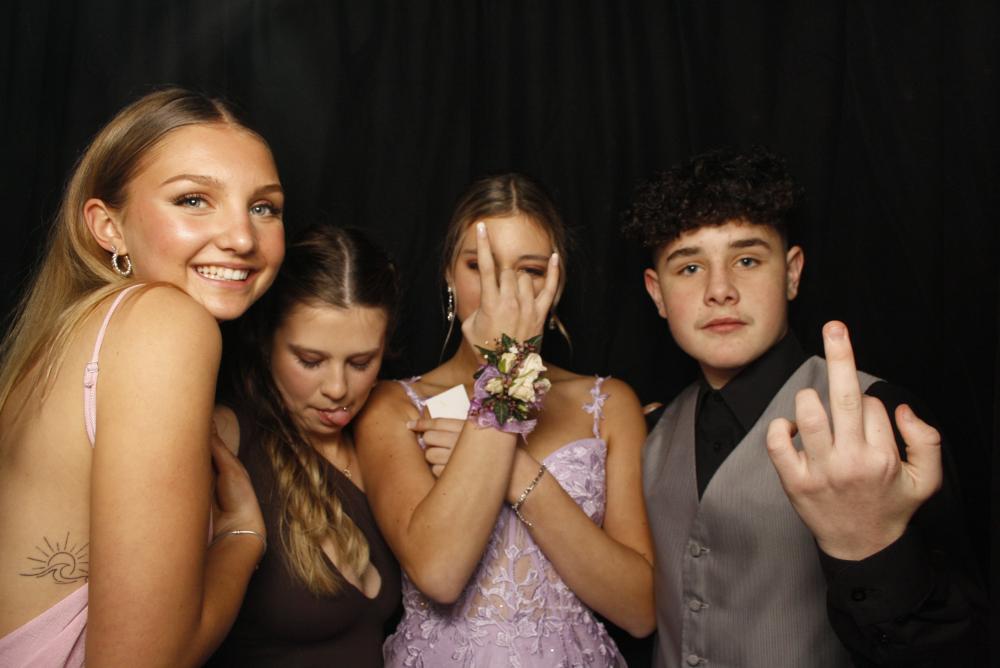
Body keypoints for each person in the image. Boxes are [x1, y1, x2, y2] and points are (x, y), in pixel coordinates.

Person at [624, 146, 987, 667]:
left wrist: (873, 547)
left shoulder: (881, 418)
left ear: (792, 273)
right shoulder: (650, 432)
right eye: (690, 267)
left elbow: (962, 648)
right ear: (656, 294)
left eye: (747, 260)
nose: (720, 290)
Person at [0, 88, 285, 666]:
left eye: (264, 207)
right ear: (108, 227)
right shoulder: (165, 323)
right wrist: (241, 539)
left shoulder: (65, 338)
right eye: (193, 200)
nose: (242, 237)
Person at [355, 173, 655, 667]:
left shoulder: (608, 404)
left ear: (556, 284)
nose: (503, 292)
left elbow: (640, 611)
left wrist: (513, 470)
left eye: (529, 270)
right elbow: (440, 573)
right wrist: (507, 375)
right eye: (480, 265)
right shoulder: (396, 406)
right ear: (449, 275)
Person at [207, 225, 403, 666]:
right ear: (267, 342)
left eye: (361, 362)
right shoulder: (226, 437)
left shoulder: (384, 439)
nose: (337, 388)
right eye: (310, 361)